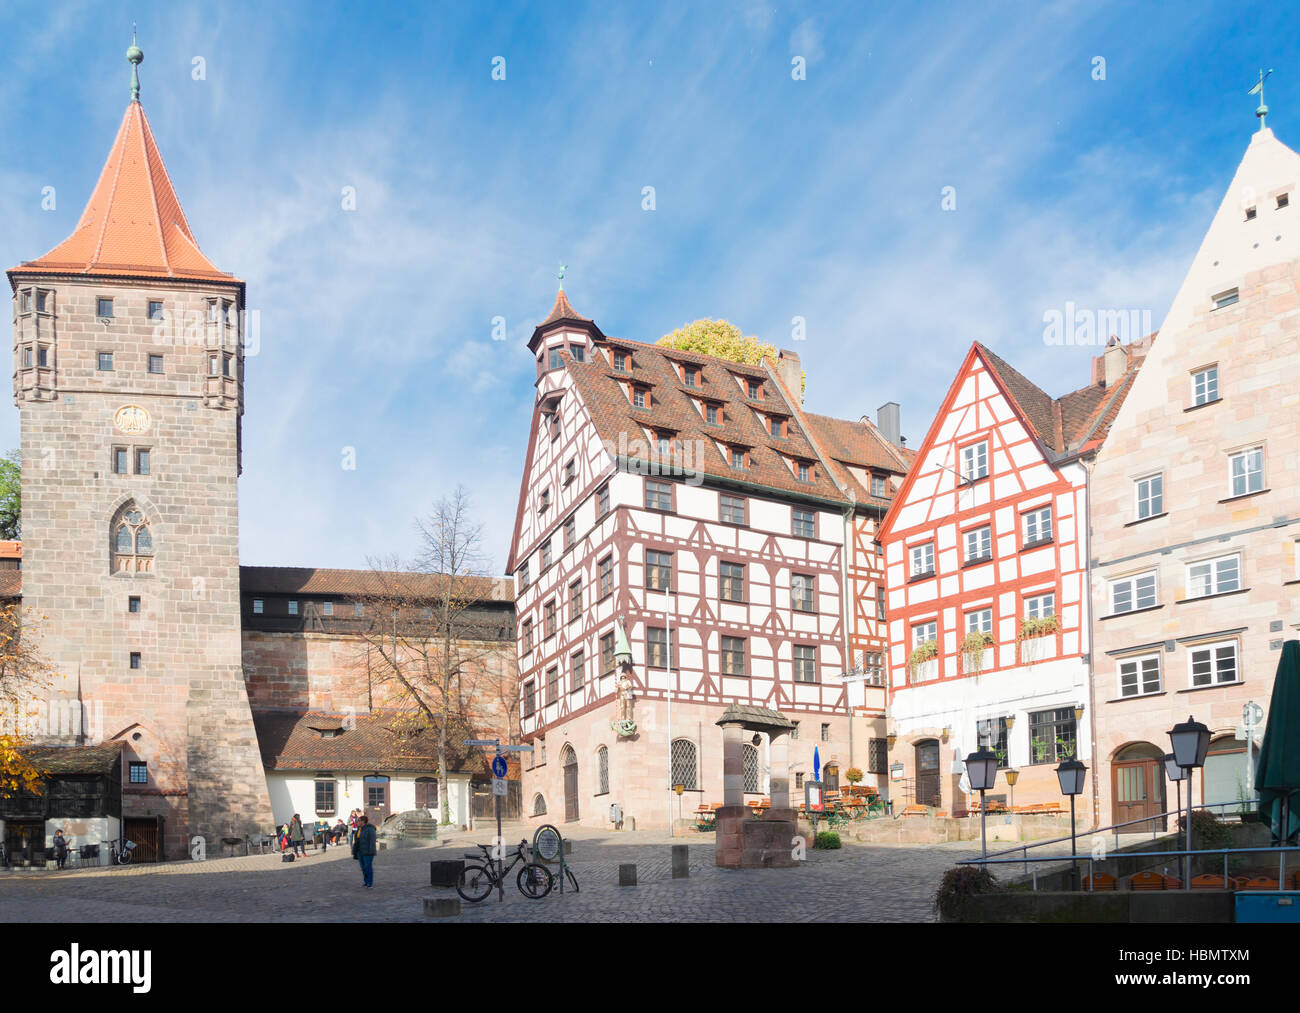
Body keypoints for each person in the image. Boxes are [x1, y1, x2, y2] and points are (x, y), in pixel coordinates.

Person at [352, 813, 376, 888]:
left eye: (359, 821)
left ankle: (370, 882)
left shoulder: (370, 829)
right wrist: (354, 851)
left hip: (367, 851)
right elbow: (356, 841)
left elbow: (372, 840)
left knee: (368, 867)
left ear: (363, 821)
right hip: (359, 851)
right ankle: (366, 881)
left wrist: (371, 851)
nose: (358, 822)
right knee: (363, 867)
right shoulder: (359, 829)